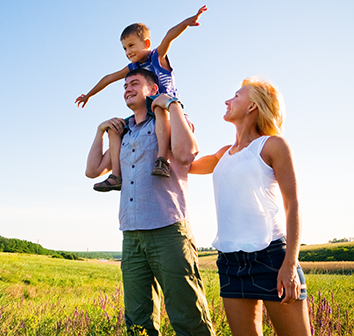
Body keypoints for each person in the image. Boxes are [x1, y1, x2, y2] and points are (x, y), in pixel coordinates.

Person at [85, 68, 215, 336]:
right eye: (124, 86)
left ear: (152, 90)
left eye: (134, 83)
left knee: (187, 314)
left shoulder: (169, 120)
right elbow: (93, 170)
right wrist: (100, 131)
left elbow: (187, 153)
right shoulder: (125, 133)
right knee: (137, 319)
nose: (127, 89)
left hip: (167, 229)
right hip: (131, 234)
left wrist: (172, 105)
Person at [189, 77, 311, 336]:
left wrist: (290, 263)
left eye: (235, 96)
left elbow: (293, 205)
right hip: (230, 261)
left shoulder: (273, 145)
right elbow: (183, 164)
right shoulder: (223, 154)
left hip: (271, 256)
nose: (227, 100)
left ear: (252, 106)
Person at [77, 6, 207, 192]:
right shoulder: (133, 67)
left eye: (131, 46)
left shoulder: (157, 57)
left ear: (146, 43)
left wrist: (187, 22)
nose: (128, 51)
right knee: (116, 128)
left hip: (165, 105)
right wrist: (89, 94)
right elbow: (109, 78)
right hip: (146, 111)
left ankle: (161, 159)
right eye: (124, 48)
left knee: (158, 107)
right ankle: (116, 175)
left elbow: (169, 36)